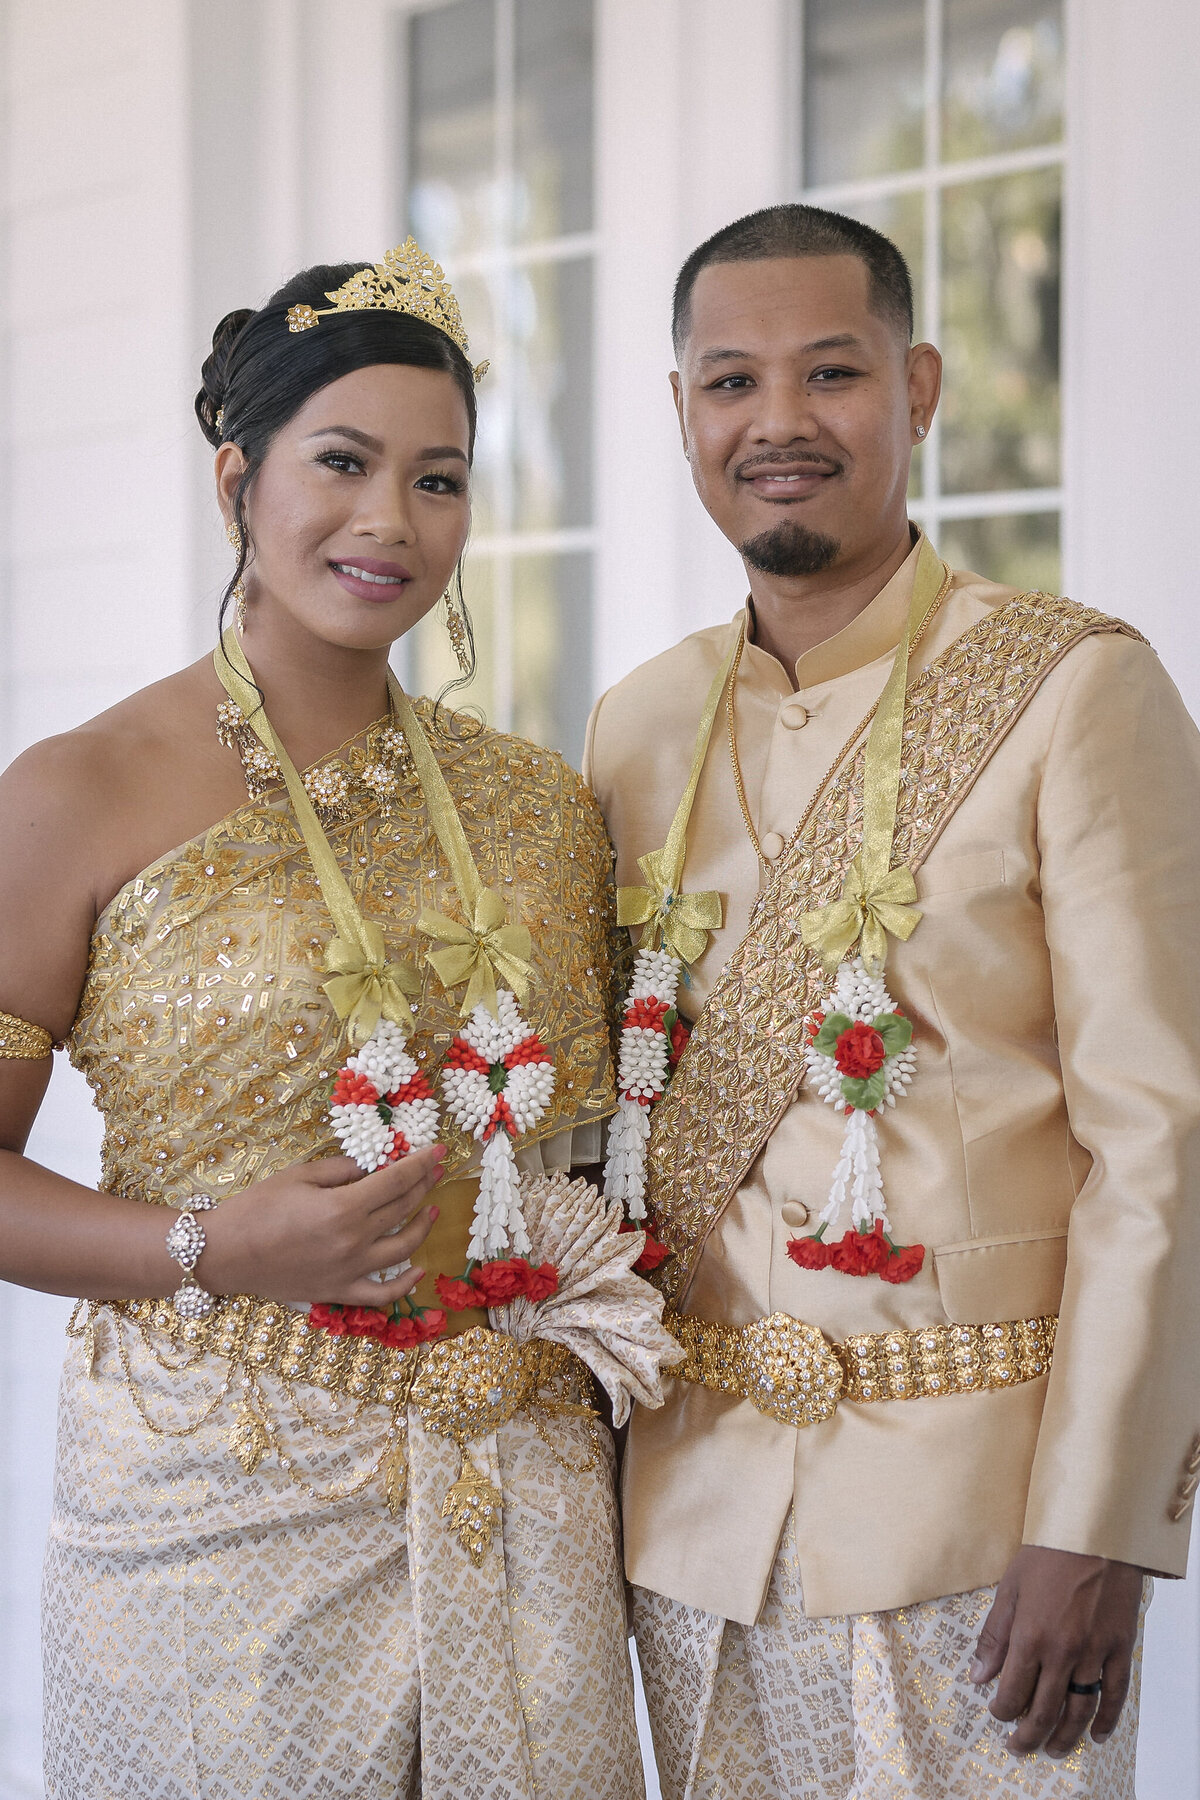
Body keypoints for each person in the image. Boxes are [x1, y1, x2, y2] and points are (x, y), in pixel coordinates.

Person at [0, 240, 677, 1800]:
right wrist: (205, 1248)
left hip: (523, 1496)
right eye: (343, 464)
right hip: (214, 1523)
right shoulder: (79, 794)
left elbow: (591, 1147)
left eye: (438, 479)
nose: (391, 521)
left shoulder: (535, 807)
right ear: (236, 478)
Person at [586, 203, 1200, 1799]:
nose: (779, 424)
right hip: (691, 1536)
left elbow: (1163, 1136)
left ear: (918, 389)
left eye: (832, 373)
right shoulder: (635, 725)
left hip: (982, 1539)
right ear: (680, 414)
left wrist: (1101, 1522)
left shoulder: (1077, 688)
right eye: (731, 383)